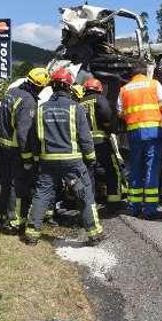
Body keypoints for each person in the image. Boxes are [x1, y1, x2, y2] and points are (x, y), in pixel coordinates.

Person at [23, 69, 103, 246]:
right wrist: (91, 158)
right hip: (72, 162)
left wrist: (35, 159)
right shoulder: (76, 108)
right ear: (68, 87)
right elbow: (85, 137)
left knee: (41, 195)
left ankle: (31, 234)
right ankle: (94, 234)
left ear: (52, 86)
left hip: (47, 161)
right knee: (84, 195)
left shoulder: (41, 109)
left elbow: (33, 138)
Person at [0, 67, 50, 233]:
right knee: (17, 185)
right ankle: (15, 222)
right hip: (16, 149)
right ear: (39, 86)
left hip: (3, 145)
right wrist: (27, 158)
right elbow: (23, 134)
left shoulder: (11, 92)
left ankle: (4, 216)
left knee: (6, 183)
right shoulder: (28, 101)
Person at [117, 61, 162, 219]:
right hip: (153, 132)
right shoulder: (154, 84)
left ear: (132, 74)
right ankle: (150, 209)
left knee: (135, 169)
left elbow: (120, 112)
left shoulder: (124, 89)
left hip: (134, 133)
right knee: (151, 169)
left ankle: (134, 206)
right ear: (145, 72)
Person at [81, 77, 122, 211]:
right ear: (99, 89)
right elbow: (107, 114)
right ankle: (114, 201)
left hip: (84, 144)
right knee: (113, 169)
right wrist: (111, 128)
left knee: (89, 173)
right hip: (101, 141)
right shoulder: (100, 99)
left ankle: (89, 204)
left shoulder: (79, 102)